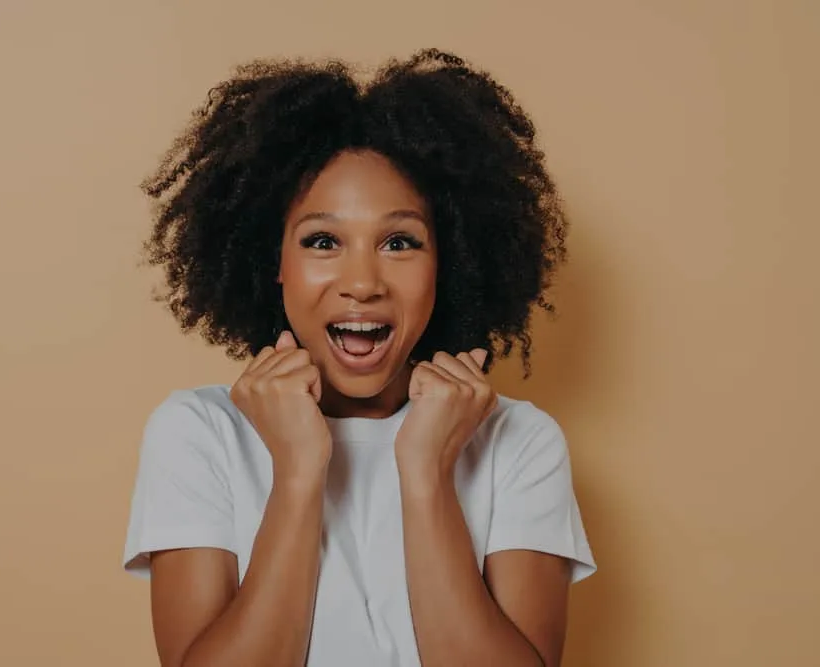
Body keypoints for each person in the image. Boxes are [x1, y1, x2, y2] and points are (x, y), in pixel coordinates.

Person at [123, 48, 595, 667]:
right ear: (273, 263)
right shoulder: (199, 433)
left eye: (399, 242)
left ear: (447, 264)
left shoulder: (519, 440)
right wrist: (297, 471)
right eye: (323, 241)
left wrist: (426, 471)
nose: (363, 282)